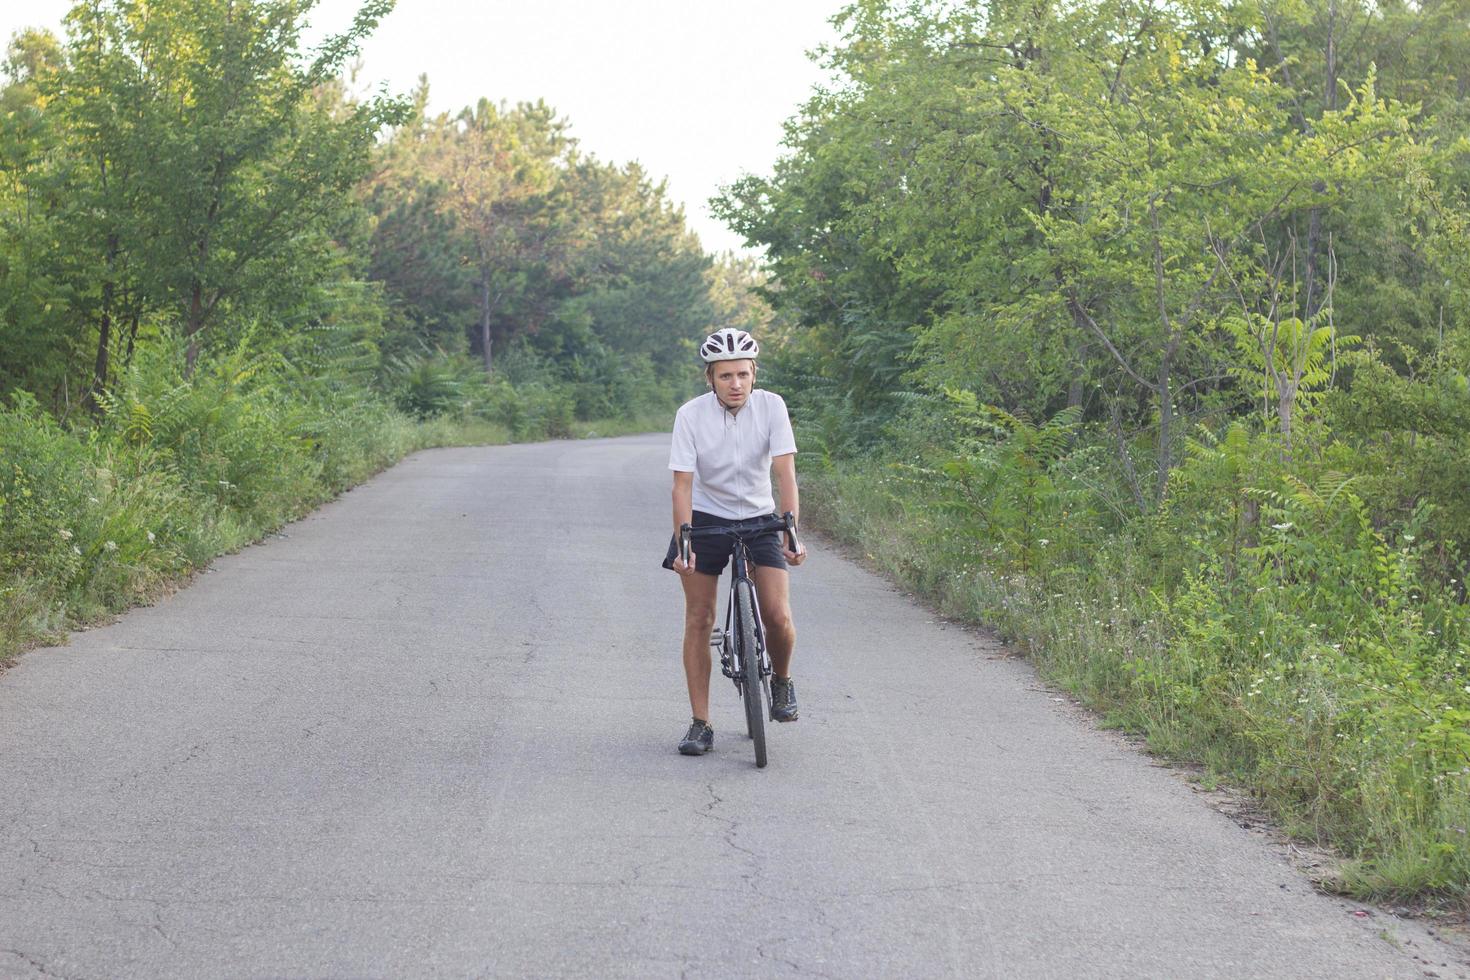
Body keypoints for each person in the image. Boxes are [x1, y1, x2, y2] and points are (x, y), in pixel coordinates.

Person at [662, 328, 806, 756]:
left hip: (760, 518)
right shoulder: (690, 415)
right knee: (700, 618)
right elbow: (681, 486)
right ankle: (701, 723)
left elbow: (785, 473)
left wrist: (791, 530)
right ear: (710, 378)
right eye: (725, 376)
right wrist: (683, 542)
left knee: (777, 615)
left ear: (754, 373)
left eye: (743, 374)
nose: (736, 384)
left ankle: (781, 682)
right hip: (706, 519)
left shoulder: (771, 407)